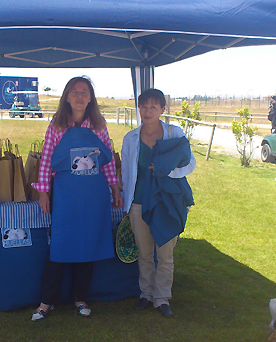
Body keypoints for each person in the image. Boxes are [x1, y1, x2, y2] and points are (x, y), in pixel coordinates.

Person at [30, 76, 123, 321]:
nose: (80, 96)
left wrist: (115, 189)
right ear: (67, 97)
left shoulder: (99, 126)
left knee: (87, 244)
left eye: (84, 92)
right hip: (66, 196)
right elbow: (47, 161)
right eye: (75, 92)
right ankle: (46, 301)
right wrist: (43, 192)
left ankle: (81, 298)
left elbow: (108, 161)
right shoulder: (57, 126)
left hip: (93, 196)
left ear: (91, 97)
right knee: (59, 246)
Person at [120, 88, 195, 318]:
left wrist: (166, 172)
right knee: (144, 253)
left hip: (166, 201)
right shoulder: (131, 138)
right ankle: (146, 294)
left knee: (165, 254)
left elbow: (189, 164)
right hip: (139, 202)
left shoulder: (173, 133)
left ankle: (162, 298)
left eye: (153, 106)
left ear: (162, 109)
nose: (148, 111)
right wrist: (126, 203)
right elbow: (125, 172)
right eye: (144, 106)